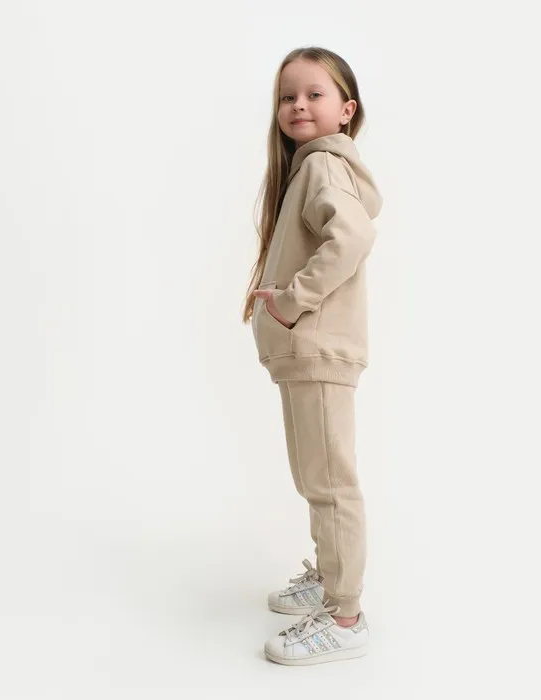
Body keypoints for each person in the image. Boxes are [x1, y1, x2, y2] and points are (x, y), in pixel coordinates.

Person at [242, 46, 383, 666]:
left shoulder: (324, 164)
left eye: (314, 94)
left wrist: (291, 301)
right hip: (307, 352)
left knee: (330, 483)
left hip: (319, 345)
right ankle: (329, 580)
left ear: (346, 110)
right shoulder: (310, 167)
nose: (298, 105)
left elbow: (352, 237)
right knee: (315, 478)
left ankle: (345, 617)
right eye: (287, 96)